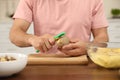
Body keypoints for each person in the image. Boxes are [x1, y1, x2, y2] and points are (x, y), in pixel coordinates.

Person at [9, 0, 109, 56]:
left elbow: (102, 37)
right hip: (45, 66)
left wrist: (89, 48)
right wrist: (32, 39)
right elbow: (15, 34)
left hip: (81, 63)